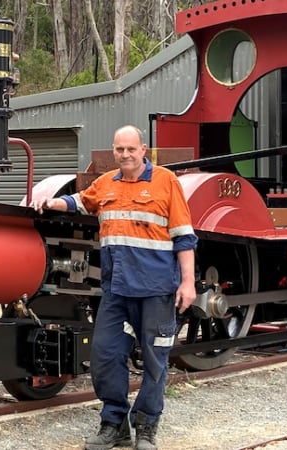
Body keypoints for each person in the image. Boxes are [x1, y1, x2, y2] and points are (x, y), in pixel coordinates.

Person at [31, 125, 197, 450]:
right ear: (114, 151)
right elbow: (79, 201)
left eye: (131, 149)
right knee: (105, 356)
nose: (125, 155)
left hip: (156, 291)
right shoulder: (106, 183)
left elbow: (185, 237)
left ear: (143, 149)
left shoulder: (166, 182)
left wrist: (188, 282)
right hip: (117, 291)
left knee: (155, 360)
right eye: (119, 149)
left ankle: (146, 427)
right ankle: (114, 424)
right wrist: (50, 202)